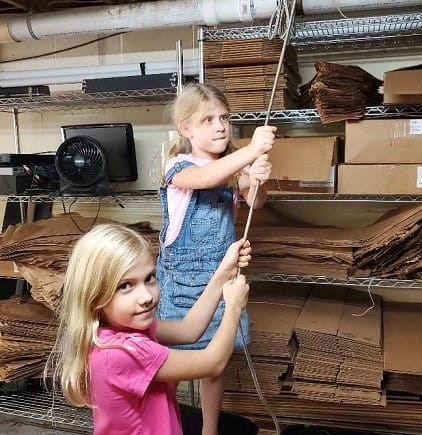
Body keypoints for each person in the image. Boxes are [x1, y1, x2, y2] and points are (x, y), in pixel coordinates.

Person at [46, 223, 253, 435]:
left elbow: (188, 330)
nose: (146, 297)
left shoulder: (121, 331)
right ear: (94, 296)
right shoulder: (122, 352)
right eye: (125, 286)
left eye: (149, 278)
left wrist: (223, 272)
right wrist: (234, 307)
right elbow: (213, 363)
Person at [157, 82, 276, 435]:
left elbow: (257, 202)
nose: (220, 126)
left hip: (221, 281)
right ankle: (164, 426)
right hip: (181, 287)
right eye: (207, 120)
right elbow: (206, 178)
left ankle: (209, 431)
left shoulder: (234, 168)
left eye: (224, 117)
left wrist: (257, 178)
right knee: (170, 367)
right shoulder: (177, 166)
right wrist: (252, 149)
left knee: (214, 367)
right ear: (187, 129)